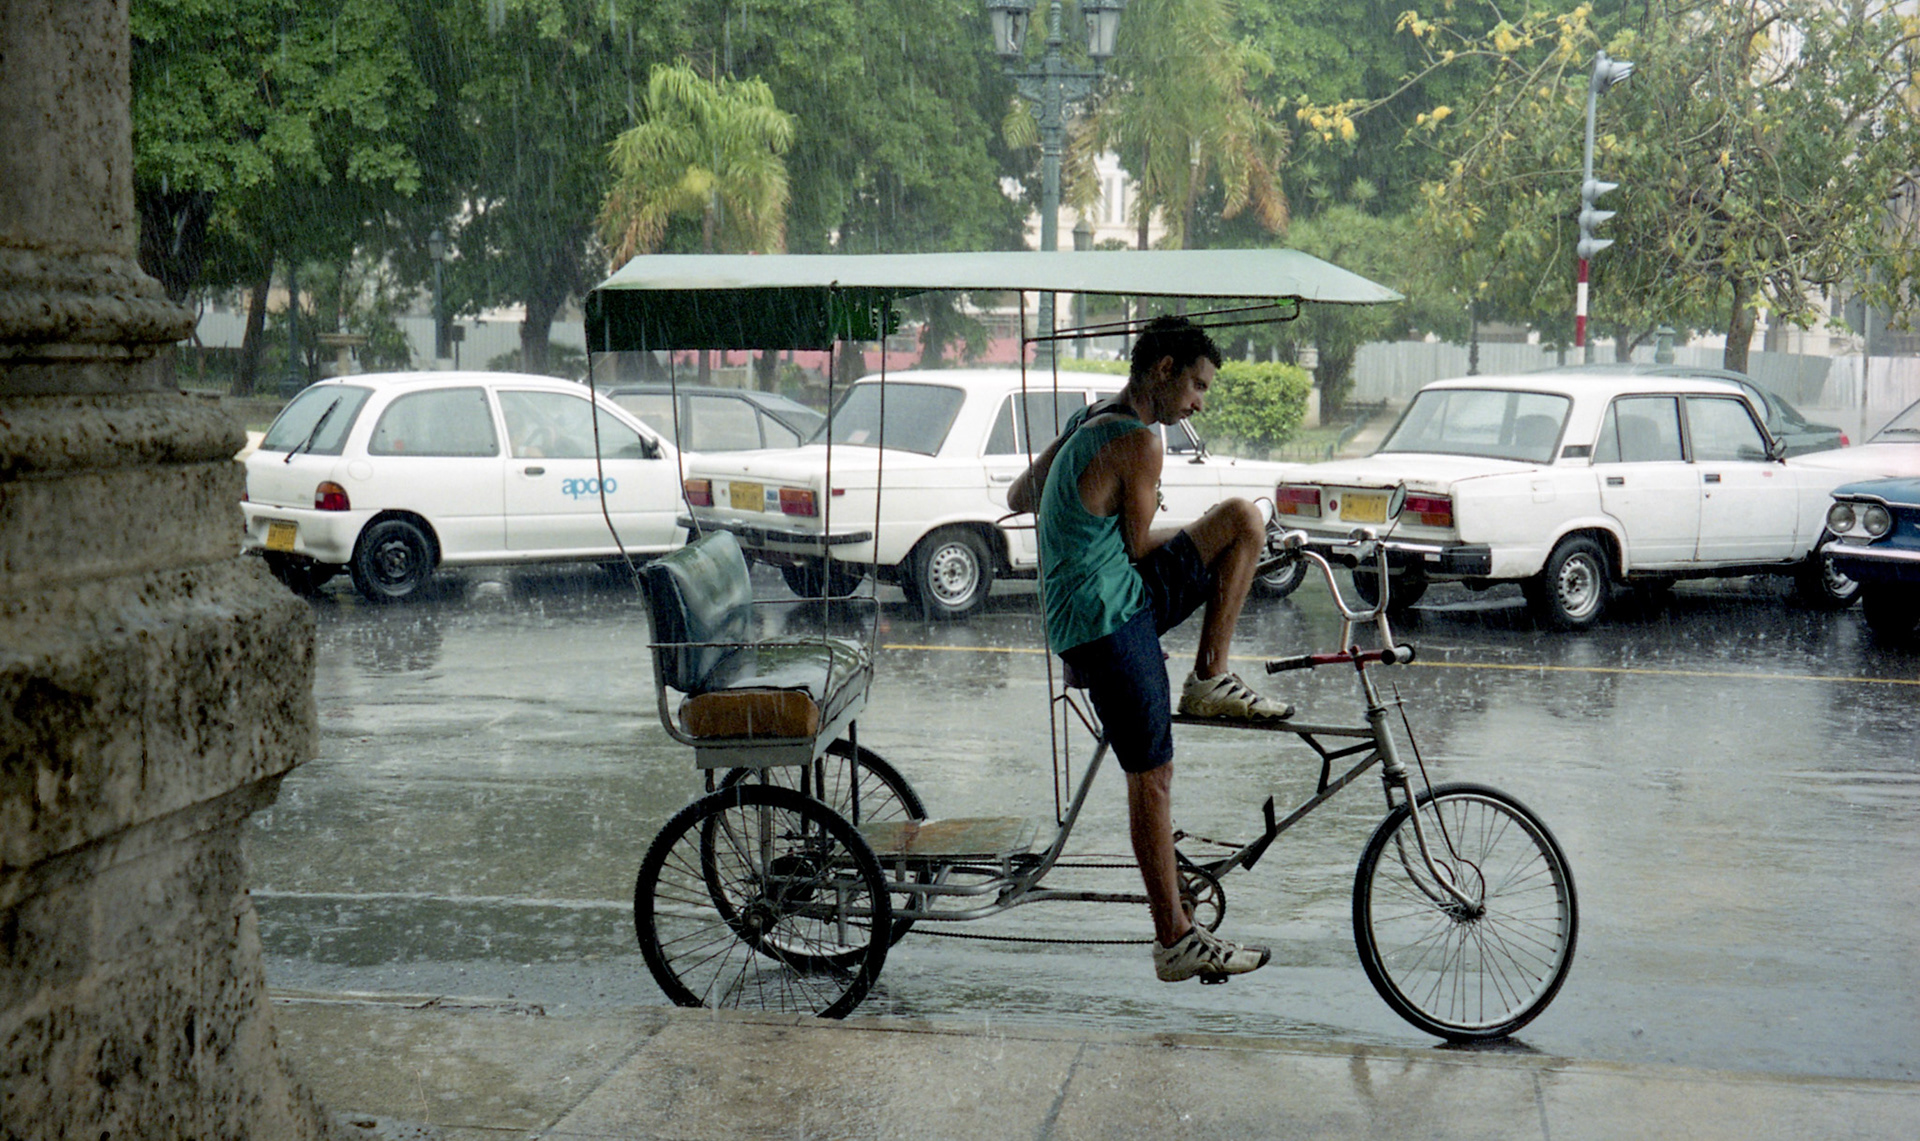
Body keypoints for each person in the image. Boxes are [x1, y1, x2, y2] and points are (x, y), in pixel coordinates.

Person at [1009, 315, 1290, 984]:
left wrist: (1076, 467)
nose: (1199, 401)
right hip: (1109, 620)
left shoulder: (1091, 421)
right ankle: (1174, 938)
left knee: (1240, 519)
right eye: (1195, 385)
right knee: (1152, 778)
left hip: (1092, 610)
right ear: (1162, 370)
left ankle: (1210, 677)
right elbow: (1136, 548)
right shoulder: (1139, 439)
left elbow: (1022, 495)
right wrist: (1211, 546)